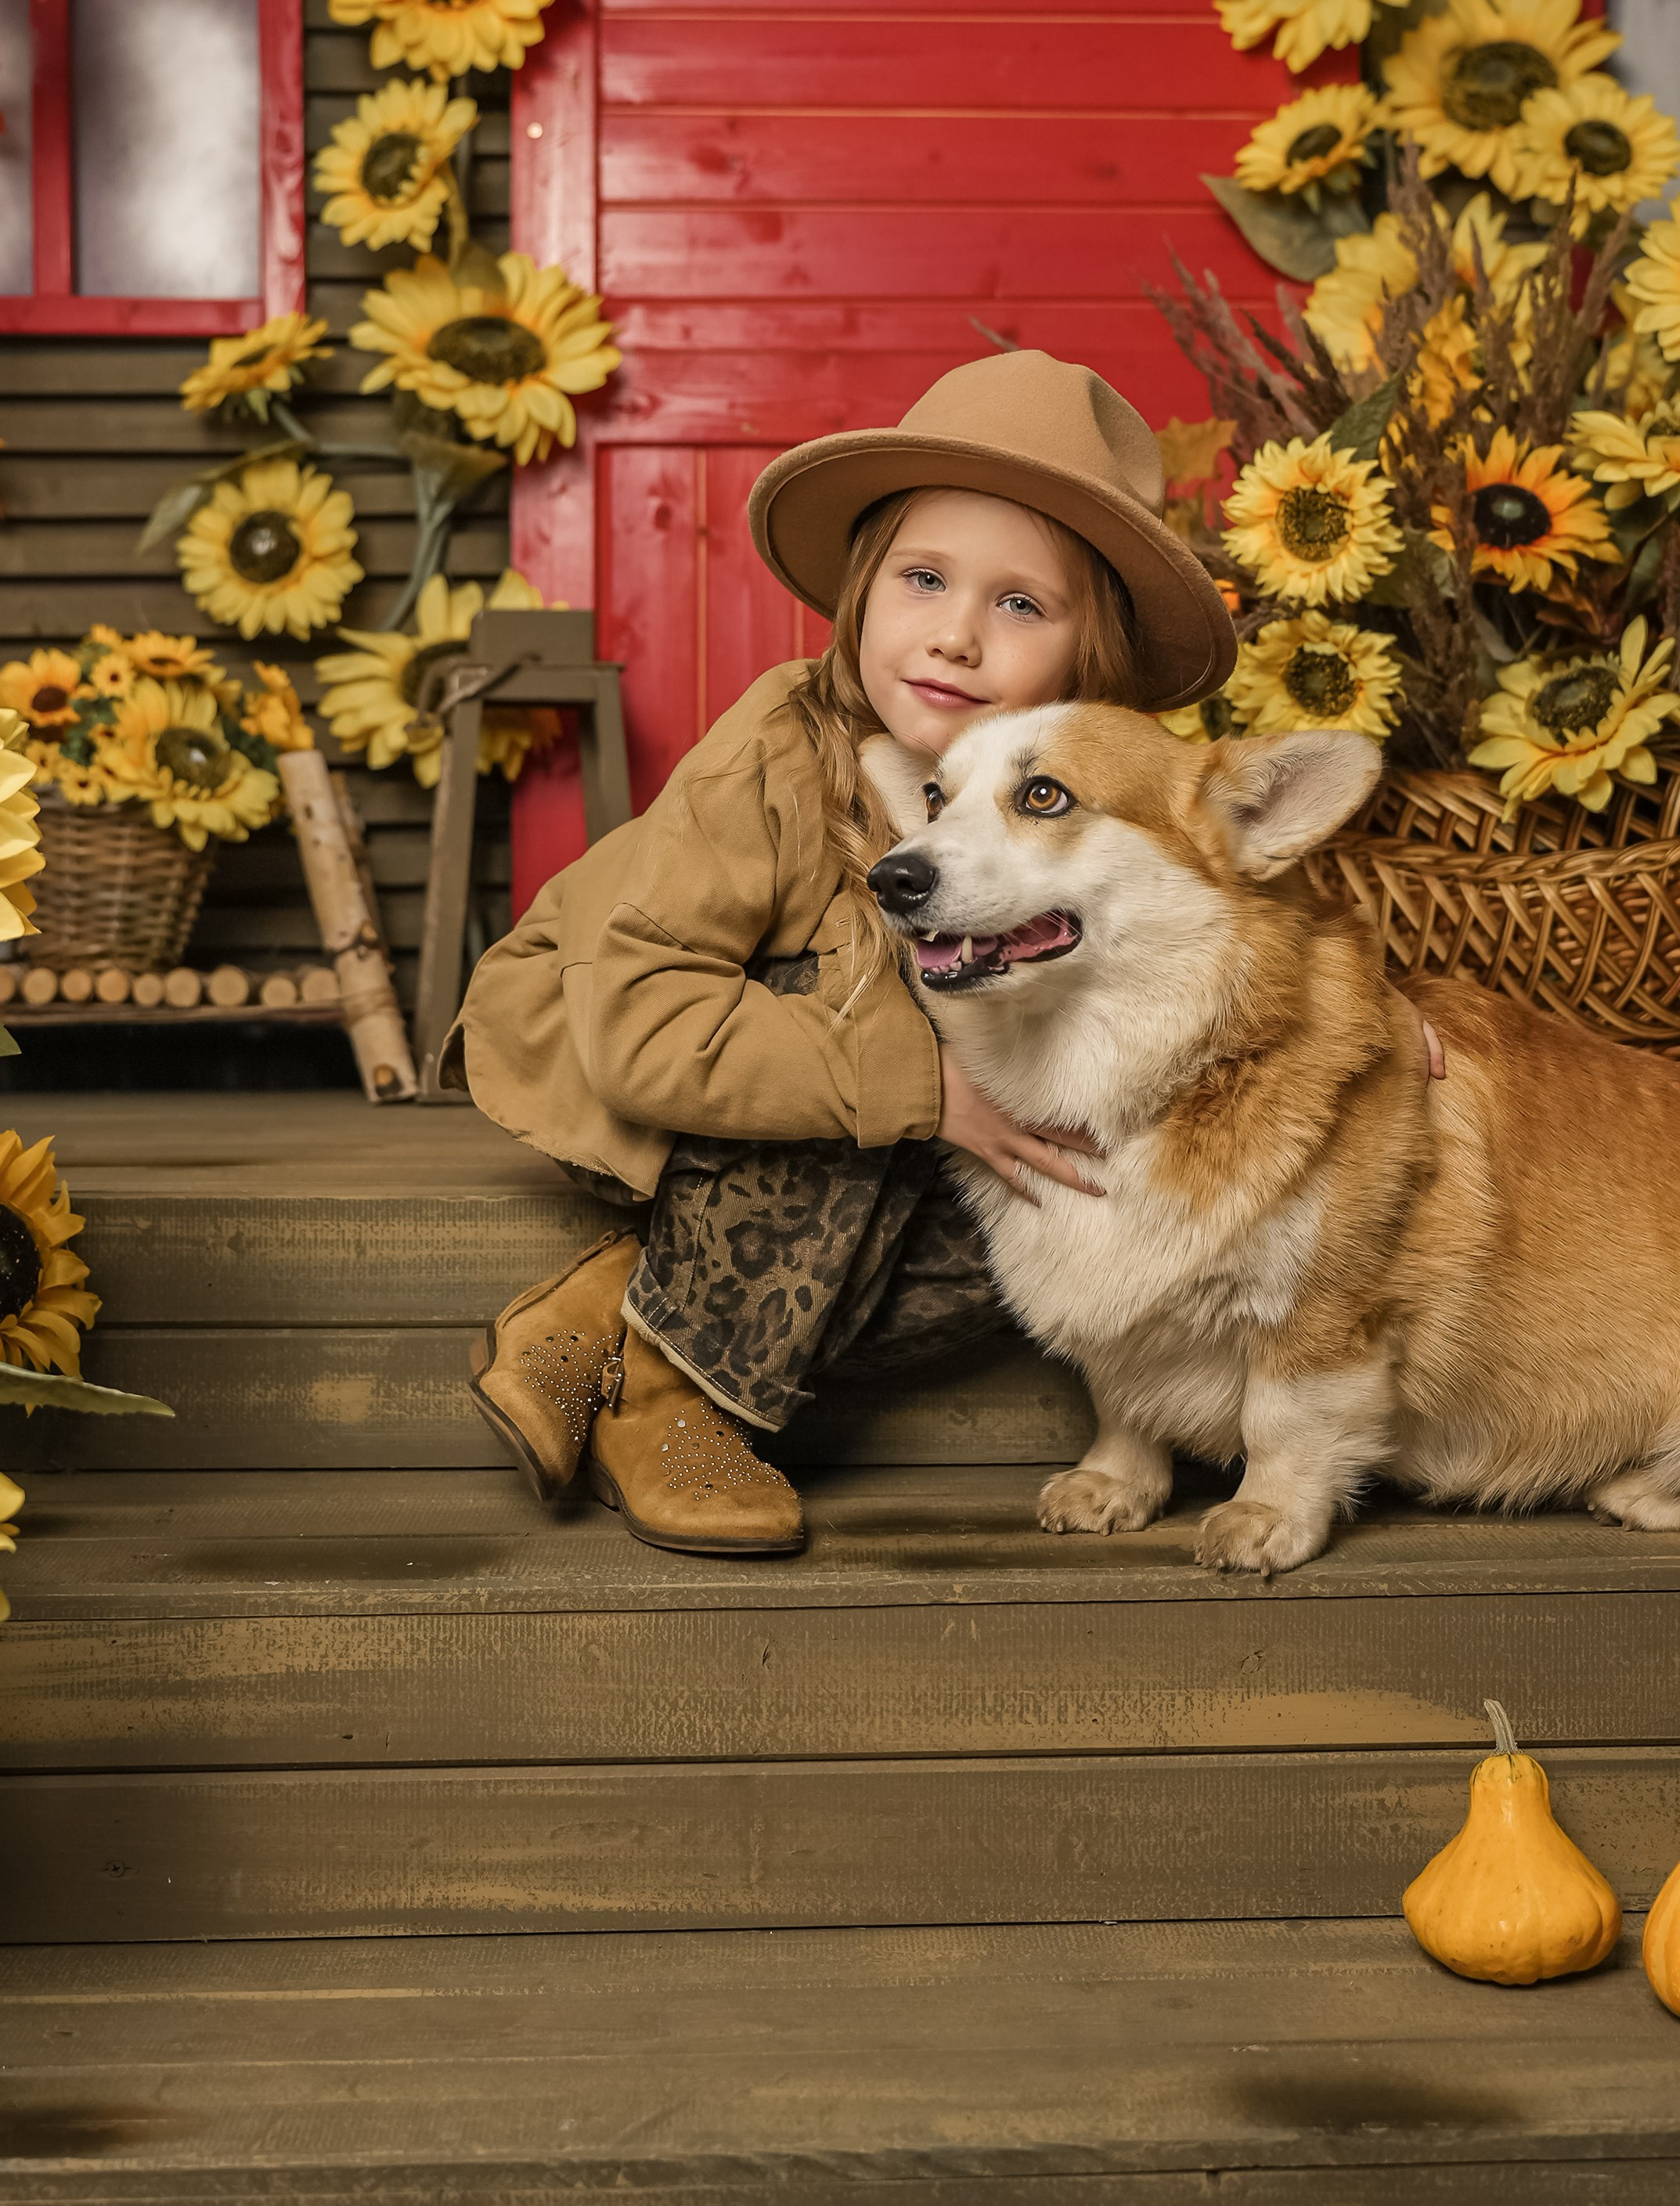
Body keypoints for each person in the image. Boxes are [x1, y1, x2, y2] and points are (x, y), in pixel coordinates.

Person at [449, 351, 1235, 1556]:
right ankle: (673, 1392)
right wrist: (926, 1088)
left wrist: (1368, 1027)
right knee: (882, 1016)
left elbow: (1218, 893)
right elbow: (644, 1027)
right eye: (924, 579)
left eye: (1021, 605)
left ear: (1092, 666)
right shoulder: (777, 752)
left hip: (879, 1115)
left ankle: (616, 1301)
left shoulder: (1070, 788)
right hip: (641, 1069)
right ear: (864, 590)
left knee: (1068, 1186)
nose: (957, 637)